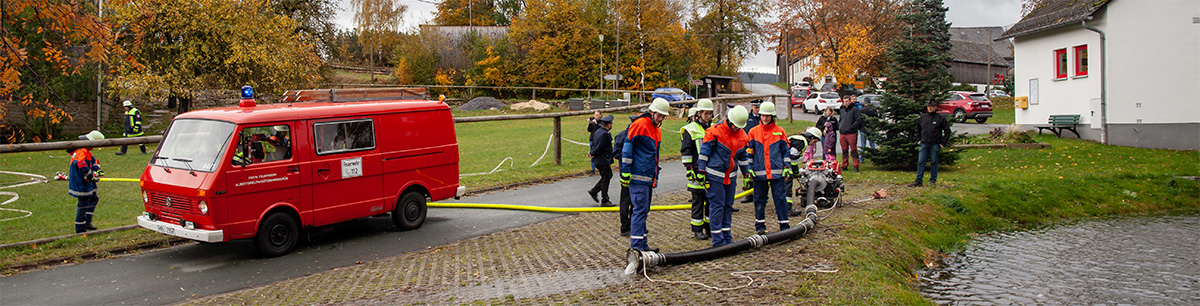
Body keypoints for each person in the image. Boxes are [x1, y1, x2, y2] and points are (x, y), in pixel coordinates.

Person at [620, 98, 670, 252]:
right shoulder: (640, 125)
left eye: (663, 117)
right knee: (639, 210)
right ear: (652, 112)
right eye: (659, 115)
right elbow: (627, 149)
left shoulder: (657, 130)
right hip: (638, 176)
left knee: (643, 211)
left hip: (648, 177)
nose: (661, 119)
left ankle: (642, 244)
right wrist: (626, 171)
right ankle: (636, 247)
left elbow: (654, 155)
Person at [697, 105, 751, 247]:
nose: (736, 128)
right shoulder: (715, 131)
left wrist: (746, 173)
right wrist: (701, 171)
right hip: (715, 176)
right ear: (729, 120)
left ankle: (726, 235)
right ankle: (717, 240)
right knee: (717, 206)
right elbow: (704, 152)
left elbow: (743, 156)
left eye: (738, 127)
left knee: (728, 206)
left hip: (730, 177)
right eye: (734, 125)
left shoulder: (742, 135)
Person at [746, 101, 792, 235]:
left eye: (768, 116)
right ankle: (760, 225)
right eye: (763, 116)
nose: (765, 118)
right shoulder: (754, 132)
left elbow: (786, 152)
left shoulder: (779, 132)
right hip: (759, 173)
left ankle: (784, 225)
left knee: (780, 199)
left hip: (777, 173)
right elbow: (749, 152)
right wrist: (749, 168)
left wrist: (786, 167)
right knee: (759, 199)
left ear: (773, 116)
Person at [680, 99, 714, 240]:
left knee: (711, 202)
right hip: (696, 171)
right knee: (698, 202)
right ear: (699, 113)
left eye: (710, 114)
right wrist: (690, 169)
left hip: (711, 170)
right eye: (706, 113)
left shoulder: (714, 128)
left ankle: (709, 227)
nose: (708, 116)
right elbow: (686, 152)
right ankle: (697, 230)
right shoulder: (690, 129)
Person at [69, 130, 105, 233]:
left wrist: (97, 170)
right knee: (83, 204)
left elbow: (92, 162)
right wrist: (89, 175)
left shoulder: (87, 152)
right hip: (81, 183)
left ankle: (87, 222)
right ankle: (80, 228)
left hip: (87, 182)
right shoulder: (81, 151)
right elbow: (81, 164)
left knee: (94, 198)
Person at [910, 101, 952, 187]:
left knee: (934, 162)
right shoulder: (923, 117)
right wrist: (918, 139)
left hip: (935, 144)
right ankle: (918, 180)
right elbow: (917, 129)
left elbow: (947, 131)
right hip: (924, 143)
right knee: (921, 161)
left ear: (935, 107)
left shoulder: (940, 118)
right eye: (929, 106)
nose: (930, 108)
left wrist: (943, 143)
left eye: (932, 106)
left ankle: (932, 180)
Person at [612, 113, 638, 236]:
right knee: (625, 201)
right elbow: (616, 153)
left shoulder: (638, 136)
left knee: (636, 202)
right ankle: (625, 226)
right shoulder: (622, 136)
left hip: (637, 173)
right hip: (626, 174)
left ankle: (634, 225)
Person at [587, 115, 616, 207]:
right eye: (611, 124)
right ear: (608, 125)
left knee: (607, 176)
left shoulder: (599, 131)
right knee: (606, 178)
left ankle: (594, 191)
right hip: (602, 159)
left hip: (599, 159)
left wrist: (593, 152)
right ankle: (605, 200)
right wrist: (592, 153)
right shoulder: (604, 134)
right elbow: (600, 146)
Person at [739, 100, 763, 204]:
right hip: (747, 147)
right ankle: (749, 193)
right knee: (748, 171)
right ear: (752, 106)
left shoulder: (763, 118)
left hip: (759, 148)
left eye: (759, 108)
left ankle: (760, 193)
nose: (757, 110)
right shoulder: (747, 118)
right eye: (756, 107)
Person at [839, 95, 864, 172]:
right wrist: (840, 127)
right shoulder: (842, 110)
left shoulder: (855, 109)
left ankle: (856, 165)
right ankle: (844, 164)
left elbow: (858, 120)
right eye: (844, 101)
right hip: (843, 133)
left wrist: (852, 127)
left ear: (850, 101)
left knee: (853, 150)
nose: (845, 103)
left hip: (851, 133)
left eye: (847, 101)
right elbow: (840, 120)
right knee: (844, 150)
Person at [858, 97, 879, 163]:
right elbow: (876, 119)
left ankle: (861, 158)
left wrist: (859, 128)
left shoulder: (862, 110)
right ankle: (874, 158)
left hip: (863, 129)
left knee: (863, 145)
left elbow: (859, 120)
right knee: (872, 144)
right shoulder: (873, 110)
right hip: (871, 128)